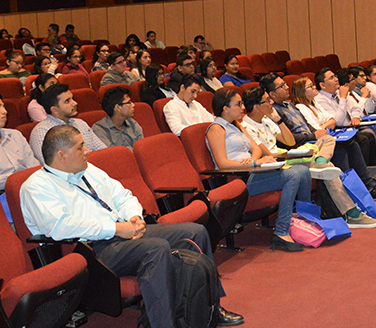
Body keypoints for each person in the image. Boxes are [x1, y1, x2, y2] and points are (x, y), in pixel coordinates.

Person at [20, 125, 244, 328]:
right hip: (91, 250)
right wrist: (117, 229)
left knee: (195, 231)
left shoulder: (89, 170)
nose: (87, 150)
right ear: (61, 155)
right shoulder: (37, 186)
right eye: (80, 147)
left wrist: (134, 217)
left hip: (123, 232)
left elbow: (123, 195)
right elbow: (61, 227)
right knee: (155, 249)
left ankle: (210, 309)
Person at [239, 86, 376, 228]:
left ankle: (320, 162)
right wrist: (294, 154)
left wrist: (278, 120)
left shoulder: (267, 120)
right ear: (256, 106)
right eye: (267, 100)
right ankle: (352, 214)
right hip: (278, 161)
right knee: (329, 168)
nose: (271, 103)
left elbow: (290, 142)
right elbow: (267, 154)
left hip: (288, 154)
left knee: (328, 139)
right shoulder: (246, 126)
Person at [205, 88, 309, 251]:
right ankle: (281, 232)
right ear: (225, 108)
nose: (242, 107)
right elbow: (222, 164)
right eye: (238, 104)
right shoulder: (216, 129)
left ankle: (302, 221)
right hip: (239, 179)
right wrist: (252, 164)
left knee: (302, 170)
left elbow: (256, 149)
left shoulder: (237, 125)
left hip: (253, 171)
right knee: (292, 175)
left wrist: (254, 160)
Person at [262, 73, 376, 200]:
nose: (286, 87)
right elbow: (288, 140)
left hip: (313, 139)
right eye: (281, 86)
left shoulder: (289, 105)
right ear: (272, 94)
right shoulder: (273, 111)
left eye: (285, 83)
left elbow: (309, 125)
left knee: (353, 144)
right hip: (301, 146)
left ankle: (368, 187)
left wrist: (317, 133)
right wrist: (314, 135)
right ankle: (347, 194)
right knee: (341, 149)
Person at [29, 83, 107, 162]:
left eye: (72, 99)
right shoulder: (42, 131)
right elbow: (51, 165)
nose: (75, 103)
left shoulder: (80, 123)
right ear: (55, 110)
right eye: (67, 101)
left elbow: (103, 151)